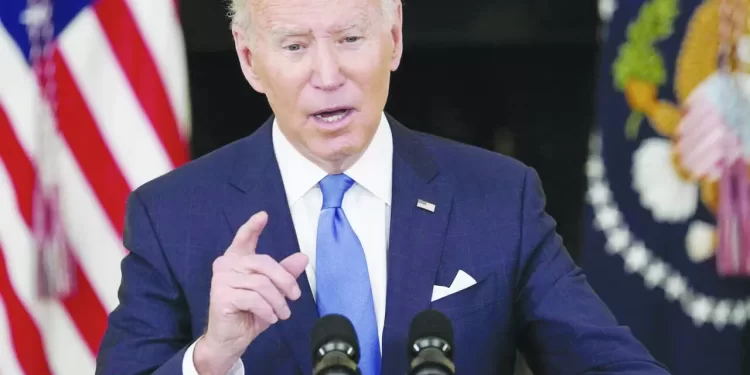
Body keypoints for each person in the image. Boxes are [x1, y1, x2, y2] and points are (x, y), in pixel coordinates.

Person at [94, 0, 671, 374]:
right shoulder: (173, 215)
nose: (327, 75)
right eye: (294, 47)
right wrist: (210, 357)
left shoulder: (499, 197)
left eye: (350, 38)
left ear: (393, 36)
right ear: (250, 60)